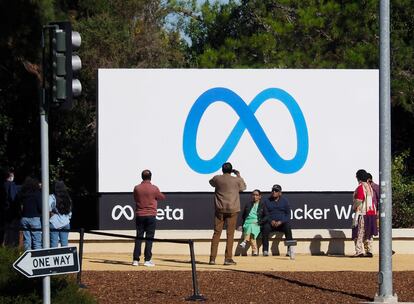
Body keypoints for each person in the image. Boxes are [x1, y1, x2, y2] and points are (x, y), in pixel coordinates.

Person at [208, 162, 246, 266]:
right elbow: (243, 188)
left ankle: (212, 259)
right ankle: (228, 259)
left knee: (216, 233)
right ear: (231, 170)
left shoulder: (217, 178)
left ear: (222, 170)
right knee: (230, 235)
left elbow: (211, 182)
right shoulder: (236, 180)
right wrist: (238, 175)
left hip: (220, 209)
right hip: (232, 209)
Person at [132, 169, 165, 267]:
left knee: (138, 237)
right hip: (150, 216)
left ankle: (135, 260)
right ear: (150, 177)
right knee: (149, 238)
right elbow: (162, 197)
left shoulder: (137, 188)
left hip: (140, 215)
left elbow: (135, 198)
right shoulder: (154, 188)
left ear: (142, 177)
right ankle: (147, 260)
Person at [261, 184, 294, 257]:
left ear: (280, 193)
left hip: (281, 223)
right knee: (265, 228)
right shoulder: (267, 201)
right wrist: (271, 221)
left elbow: (288, 214)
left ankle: (290, 250)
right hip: (271, 224)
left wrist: (281, 221)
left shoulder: (285, 201)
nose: (274, 192)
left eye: (276, 191)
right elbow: (266, 214)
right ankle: (265, 250)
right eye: (273, 190)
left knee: (288, 227)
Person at [351, 169, 377, 257]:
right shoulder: (370, 187)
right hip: (371, 213)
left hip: (363, 213)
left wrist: (354, 206)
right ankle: (369, 250)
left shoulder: (361, 187)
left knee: (359, 232)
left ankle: (359, 251)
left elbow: (359, 199)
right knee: (368, 233)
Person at [19, 176, 42, 250]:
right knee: (37, 242)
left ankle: (27, 258)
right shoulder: (37, 194)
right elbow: (40, 207)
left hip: (24, 218)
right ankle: (37, 258)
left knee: (27, 241)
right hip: (34, 218)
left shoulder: (23, 194)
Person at [238, 189, 264, 256]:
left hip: (257, 223)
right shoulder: (248, 204)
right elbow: (243, 216)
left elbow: (267, 216)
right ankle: (255, 251)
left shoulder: (262, 205)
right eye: (253, 195)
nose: (254, 196)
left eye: (256, 195)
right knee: (251, 231)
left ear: (260, 196)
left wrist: (259, 222)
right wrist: (241, 225)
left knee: (252, 229)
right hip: (247, 222)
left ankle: (244, 241)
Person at [49, 181, 72, 247]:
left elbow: (47, 208)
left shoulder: (52, 197)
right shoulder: (68, 198)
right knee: (65, 243)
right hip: (66, 222)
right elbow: (70, 212)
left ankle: (54, 257)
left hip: (54, 223)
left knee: (54, 243)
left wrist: (52, 213)